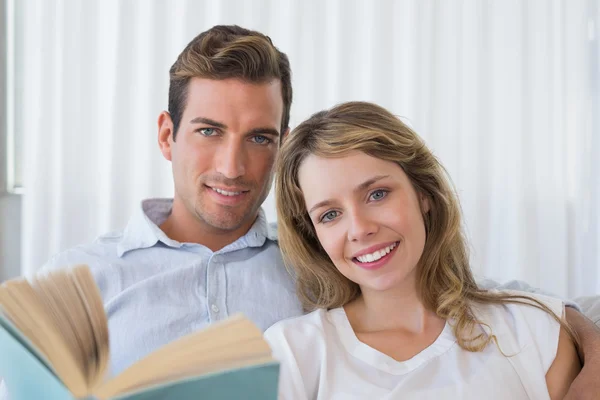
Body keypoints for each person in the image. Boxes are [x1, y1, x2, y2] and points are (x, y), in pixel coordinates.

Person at [1, 25, 599, 399]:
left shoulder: (323, 262)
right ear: (167, 134)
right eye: (209, 131)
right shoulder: (73, 282)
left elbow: (483, 299)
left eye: (260, 138)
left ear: (283, 144)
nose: (234, 166)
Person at [265, 101, 582, 399]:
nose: (360, 228)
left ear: (423, 194)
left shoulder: (534, 332)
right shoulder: (292, 353)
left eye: (377, 194)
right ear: (314, 235)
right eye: (330, 215)